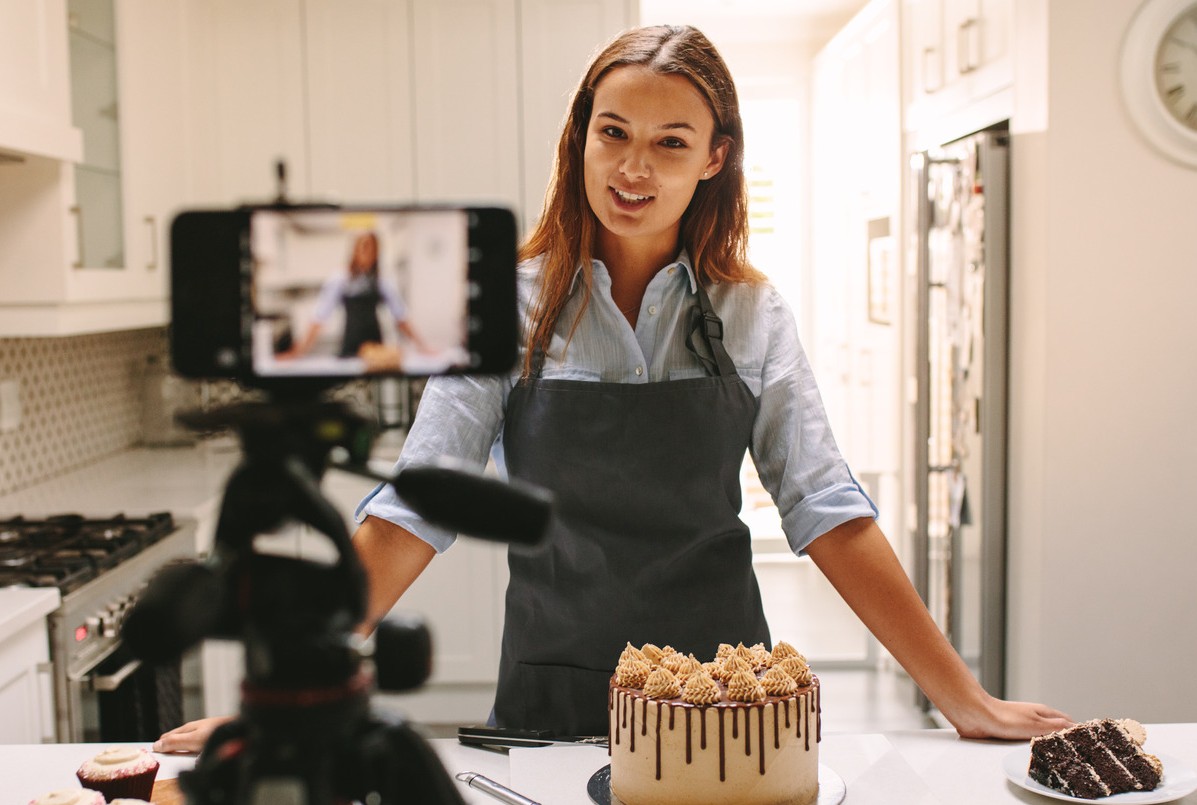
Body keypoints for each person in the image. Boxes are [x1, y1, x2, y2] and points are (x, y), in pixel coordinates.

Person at [157, 24, 1071, 753]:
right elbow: (415, 508)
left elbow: (827, 508)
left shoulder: (751, 314)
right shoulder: (506, 307)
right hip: (554, 696)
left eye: (671, 143)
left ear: (714, 157)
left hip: (726, 703)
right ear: (581, 138)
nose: (634, 170)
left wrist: (963, 697)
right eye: (614, 134)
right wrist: (285, 692)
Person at [277, 232, 427, 362]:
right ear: (355, 250)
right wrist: (297, 352)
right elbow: (319, 317)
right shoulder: (340, 280)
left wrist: (422, 347)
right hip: (349, 347)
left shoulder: (382, 281)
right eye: (364, 247)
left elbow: (401, 316)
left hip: (375, 350)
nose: (368, 253)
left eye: (372, 249)